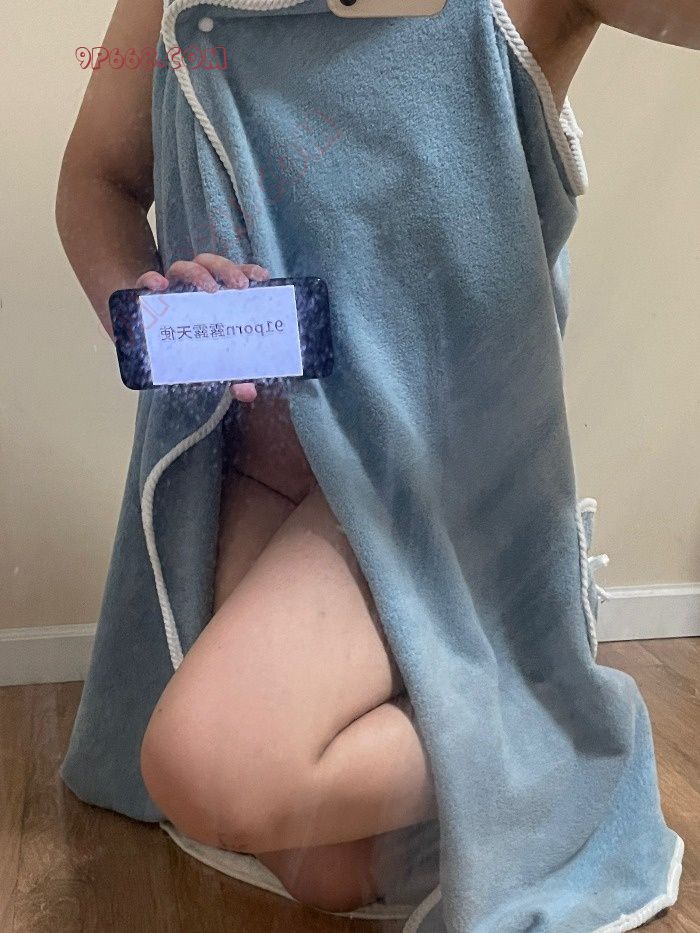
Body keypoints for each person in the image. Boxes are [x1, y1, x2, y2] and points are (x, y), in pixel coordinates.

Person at [55, 0, 698, 917]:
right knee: (327, 867)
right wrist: (149, 309)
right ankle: (508, 683)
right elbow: (97, 181)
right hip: (251, 462)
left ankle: (566, 722)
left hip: (432, 481)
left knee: (211, 765)